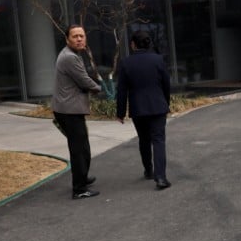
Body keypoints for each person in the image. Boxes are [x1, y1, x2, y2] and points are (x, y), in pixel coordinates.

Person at [116, 30, 172, 190]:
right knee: (158, 140)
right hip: (158, 106)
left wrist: (120, 113)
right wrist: (166, 103)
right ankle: (161, 177)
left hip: (138, 108)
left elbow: (122, 90)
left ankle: (148, 170)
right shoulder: (158, 60)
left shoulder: (125, 63)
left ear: (133, 44)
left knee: (144, 139)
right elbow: (166, 84)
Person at [52, 24, 103, 199]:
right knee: (79, 149)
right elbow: (83, 80)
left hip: (69, 108)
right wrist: (100, 88)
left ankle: (82, 177)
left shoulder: (73, 54)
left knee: (82, 147)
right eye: (75, 36)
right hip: (69, 110)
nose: (79, 39)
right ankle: (79, 189)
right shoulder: (70, 57)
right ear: (67, 39)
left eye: (82, 35)